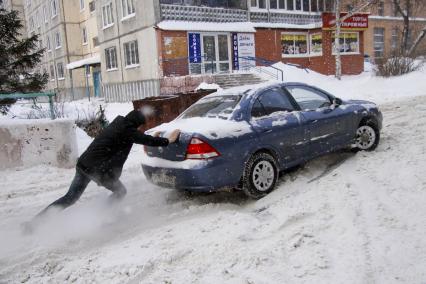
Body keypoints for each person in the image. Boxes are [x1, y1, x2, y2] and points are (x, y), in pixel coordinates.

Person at [35, 108, 180, 218]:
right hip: (97, 169)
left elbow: (140, 138)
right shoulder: (128, 131)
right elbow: (142, 139)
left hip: (84, 164)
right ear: (136, 124)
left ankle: (36, 223)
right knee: (120, 191)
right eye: (141, 126)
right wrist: (168, 140)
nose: (140, 129)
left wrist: (148, 138)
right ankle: (101, 217)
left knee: (70, 197)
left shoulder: (119, 124)